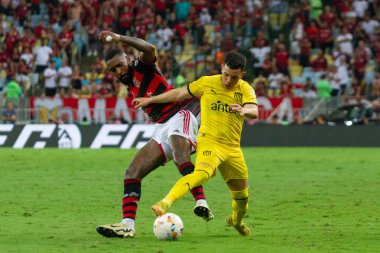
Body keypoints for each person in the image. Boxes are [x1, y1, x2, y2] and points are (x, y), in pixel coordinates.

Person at [96, 31, 213, 238]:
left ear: (128, 59)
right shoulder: (130, 85)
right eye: (113, 69)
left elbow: (149, 49)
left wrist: (119, 38)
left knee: (179, 154)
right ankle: (127, 226)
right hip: (161, 127)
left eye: (120, 64)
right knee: (132, 172)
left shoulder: (143, 67)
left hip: (180, 114)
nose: (118, 70)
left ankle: (201, 202)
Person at [133, 51, 259, 236]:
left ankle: (236, 221)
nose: (227, 81)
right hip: (209, 142)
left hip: (232, 149)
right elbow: (178, 94)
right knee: (201, 173)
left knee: (242, 199)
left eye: (233, 77)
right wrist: (150, 100)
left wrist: (243, 110)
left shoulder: (245, 89)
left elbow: (254, 111)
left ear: (242, 75)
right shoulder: (207, 82)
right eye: (225, 74)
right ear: (222, 68)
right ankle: (164, 203)